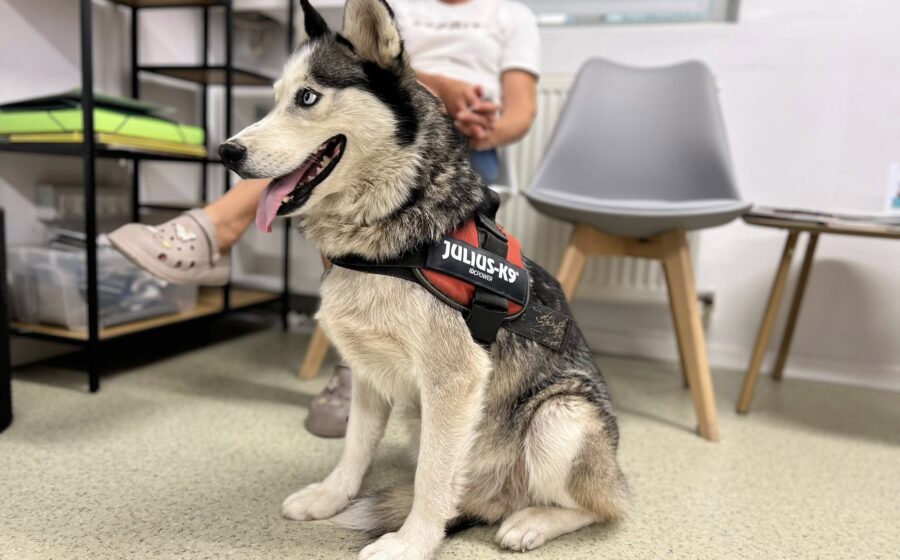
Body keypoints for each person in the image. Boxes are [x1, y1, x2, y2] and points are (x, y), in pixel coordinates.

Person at [109, 0, 541, 437]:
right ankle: (359, 360)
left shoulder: (511, 16)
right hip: (384, 110)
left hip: (463, 149)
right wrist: (440, 86)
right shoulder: (400, 6)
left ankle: (215, 228)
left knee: (324, 156)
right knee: (323, 166)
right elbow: (370, 70)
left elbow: (521, 114)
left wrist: (487, 127)